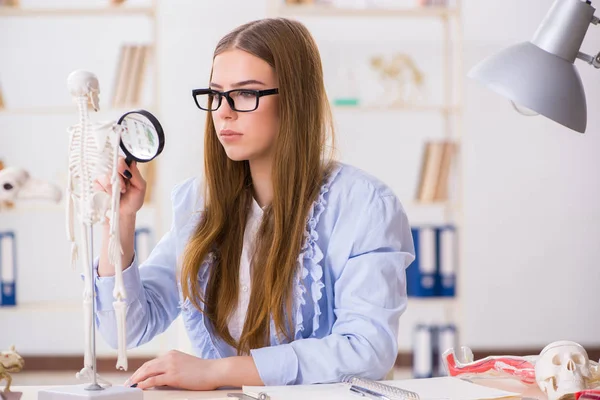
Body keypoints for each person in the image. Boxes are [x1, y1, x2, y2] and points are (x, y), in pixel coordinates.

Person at [93, 17, 415, 391]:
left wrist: (217, 372)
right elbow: (127, 328)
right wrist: (119, 221)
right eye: (215, 94)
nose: (223, 112)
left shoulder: (364, 205)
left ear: (295, 99)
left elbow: (367, 351)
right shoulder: (199, 202)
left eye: (246, 93)